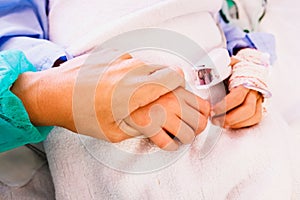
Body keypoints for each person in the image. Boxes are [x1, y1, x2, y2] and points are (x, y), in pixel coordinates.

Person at [0, 0, 299, 199]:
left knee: (265, 170)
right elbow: (12, 36)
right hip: (108, 101)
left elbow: (221, 21)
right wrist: (66, 77)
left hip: (222, 105)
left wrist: (247, 62)